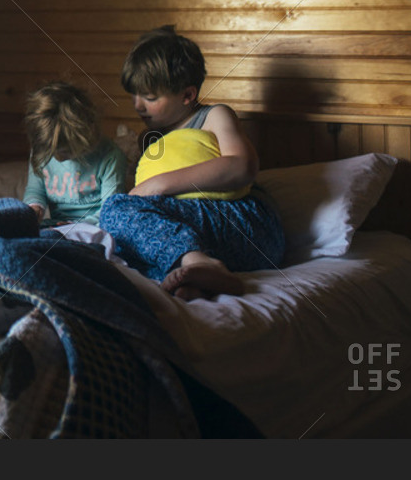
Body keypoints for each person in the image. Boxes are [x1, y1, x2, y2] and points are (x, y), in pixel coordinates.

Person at [98, 25, 286, 301]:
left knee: (115, 208)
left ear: (187, 95)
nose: (138, 105)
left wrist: (159, 184)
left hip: (246, 228)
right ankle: (196, 279)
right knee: (121, 238)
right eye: (134, 95)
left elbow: (242, 166)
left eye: (150, 97)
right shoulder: (151, 140)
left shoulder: (214, 116)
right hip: (202, 235)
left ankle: (198, 262)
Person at [21, 82, 128, 227]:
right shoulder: (43, 149)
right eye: (53, 153)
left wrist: (77, 227)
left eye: (66, 151)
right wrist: (35, 207)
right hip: (55, 226)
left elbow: (111, 210)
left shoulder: (110, 156)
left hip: (95, 227)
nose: (58, 158)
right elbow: (35, 189)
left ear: (86, 135)